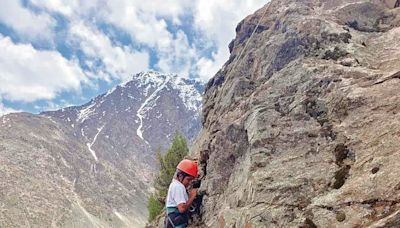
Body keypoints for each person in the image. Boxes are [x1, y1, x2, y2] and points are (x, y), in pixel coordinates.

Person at [165, 159, 198, 228]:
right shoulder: (178, 186)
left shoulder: (175, 185)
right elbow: (182, 208)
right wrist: (192, 197)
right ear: (180, 176)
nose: (189, 183)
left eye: (191, 180)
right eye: (188, 179)